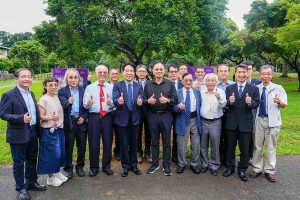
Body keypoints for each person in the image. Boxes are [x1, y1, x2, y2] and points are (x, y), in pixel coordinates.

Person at [0, 68, 46, 200]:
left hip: (33, 131)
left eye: (29, 76)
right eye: (23, 76)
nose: (27, 79)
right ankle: (21, 188)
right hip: (18, 133)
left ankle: (31, 182)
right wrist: (21, 118)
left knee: (32, 158)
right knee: (19, 162)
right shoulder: (9, 95)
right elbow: (3, 114)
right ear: (16, 79)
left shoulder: (30, 93)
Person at [249, 65, 287, 182]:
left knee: (271, 147)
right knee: (257, 146)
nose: (266, 76)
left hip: (273, 121)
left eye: (268, 74)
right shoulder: (256, 88)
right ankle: (257, 168)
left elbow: (284, 104)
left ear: (272, 75)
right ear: (260, 75)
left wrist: (279, 101)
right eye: (263, 74)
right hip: (259, 120)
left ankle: (270, 171)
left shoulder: (278, 88)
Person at [223, 64, 260, 182]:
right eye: (239, 72)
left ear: (248, 74)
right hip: (231, 123)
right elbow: (226, 105)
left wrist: (251, 102)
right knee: (230, 147)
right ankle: (230, 167)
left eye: (244, 72)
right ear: (235, 74)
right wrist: (230, 101)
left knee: (244, 149)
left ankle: (242, 169)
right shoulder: (229, 88)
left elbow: (257, 104)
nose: (241, 75)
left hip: (245, 124)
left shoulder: (254, 88)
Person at [144, 61, 178, 176]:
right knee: (154, 141)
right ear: (153, 71)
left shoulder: (170, 84)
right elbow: (143, 100)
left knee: (166, 141)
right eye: (156, 69)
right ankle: (155, 163)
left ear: (164, 71)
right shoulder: (148, 84)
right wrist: (147, 101)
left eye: (161, 69)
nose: (158, 71)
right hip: (153, 115)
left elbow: (175, 100)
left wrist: (167, 100)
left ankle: (166, 165)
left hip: (166, 115)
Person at [83, 64, 114, 177]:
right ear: (96, 73)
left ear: (107, 74)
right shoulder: (89, 87)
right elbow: (85, 104)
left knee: (107, 142)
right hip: (94, 117)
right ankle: (94, 167)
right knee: (93, 143)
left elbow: (115, 104)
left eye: (104, 72)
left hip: (107, 117)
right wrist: (88, 103)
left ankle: (106, 166)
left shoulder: (111, 87)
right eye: (100, 72)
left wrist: (112, 104)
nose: (102, 74)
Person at [113, 63, 143, 177]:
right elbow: (115, 99)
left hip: (135, 119)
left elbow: (142, 98)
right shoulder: (118, 85)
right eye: (127, 71)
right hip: (122, 120)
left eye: (131, 71)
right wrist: (118, 101)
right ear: (123, 72)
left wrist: (140, 103)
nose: (129, 73)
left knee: (134, 144)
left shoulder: (138, 86)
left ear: (134, 73)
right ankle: (125, 166)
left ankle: (134, 165)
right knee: (124, 145)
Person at [37, 77, 68, 187]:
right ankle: (50, 178)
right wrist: (50, 117)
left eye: (55, 85)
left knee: (59, 152)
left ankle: (57, 172)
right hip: (48, 131)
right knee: (49, 154)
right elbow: (41, 116)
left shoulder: (56, 97)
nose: (53, 87)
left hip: (58, 129)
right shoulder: (43, 99)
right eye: (50, 85)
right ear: (45, 86)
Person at [58, 68, 88, 178]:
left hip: (81, 121)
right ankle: (68, 168)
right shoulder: (62, 91)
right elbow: (61, 105)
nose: (73, 79)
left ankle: (80, 167)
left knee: (82, 146)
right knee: (68, 146)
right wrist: (68, 102)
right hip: (68, 122)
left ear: (79, 79)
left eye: (75, 77)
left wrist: (84, 117)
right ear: (66, 79)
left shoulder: (83, 90)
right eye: (70, 77)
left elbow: (87, 108)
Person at [174, 73, 202, 174]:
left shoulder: (197, 92)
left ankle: (194, 164)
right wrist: (178, 107)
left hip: (195, 120)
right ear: (182, 80)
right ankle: (181, 164)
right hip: (182, 120)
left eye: (190, 80)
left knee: (196, 144)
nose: (188, 82)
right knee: (182, 145)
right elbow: (172, 107)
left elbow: (200, 106)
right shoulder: (177, 92)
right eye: (186, 80)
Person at [200, 73, 226, 176]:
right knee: (203, 144)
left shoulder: (221, 91)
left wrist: (219, 97)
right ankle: (205, 164)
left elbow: (224, 104)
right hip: (203, 121)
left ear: (216, 82)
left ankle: (214, 165)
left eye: (212, 80)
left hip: (215, 122)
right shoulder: (201, 92)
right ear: (205, 82)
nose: (210, 82)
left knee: (215, 145)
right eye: (208, 80)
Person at [243, 61, 262, 165]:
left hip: (254, 114)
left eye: (249, 69)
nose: (247, 71)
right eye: (245, 69)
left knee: (253, 136)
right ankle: (246, 156)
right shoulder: (237, 82)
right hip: (241, 114)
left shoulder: (257, 83)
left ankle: (252, 156)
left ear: (251, 70)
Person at [216, 64, 234, 166]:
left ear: (228, 72)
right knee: (218, 138)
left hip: (230, 115)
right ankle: (218, 159)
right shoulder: (214, 85)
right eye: (221, 71)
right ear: (217, 72)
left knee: (228, 138)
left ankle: (228, 160)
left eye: (225, 71)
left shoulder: (233, 85)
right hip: (217, 115)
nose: (223, 73)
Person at [136, 64, 152, 163]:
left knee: (148, 133)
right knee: (137, 133)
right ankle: (138, 152)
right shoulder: (133, 83)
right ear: (137, 73)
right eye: (140, 71)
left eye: (143, 71)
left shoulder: (151, 83)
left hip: (149, 112)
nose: (142, 73)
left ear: (146, 73)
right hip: (137, 112)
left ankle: (147, 152)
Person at [168, 64, 183, 163]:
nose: (173, 73)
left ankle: (176, 156)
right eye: (171, 71)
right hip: (167, 113)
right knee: (166, 135)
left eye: (175, 71)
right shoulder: (165, 84)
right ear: (168, 73)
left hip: (179, 113)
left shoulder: (182, 84)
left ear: (178, 72)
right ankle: (166, 156)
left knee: (177, 135)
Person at [109, 68, 121, 161]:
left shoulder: (121, 85)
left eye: (116, 73)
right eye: (113, 74)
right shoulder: (106, 85)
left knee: (118, 134)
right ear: (109, 75)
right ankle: (108, 152)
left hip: (118, 113)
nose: (115, 75)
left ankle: (117, 151)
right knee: (108, 134)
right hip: (108, 113)